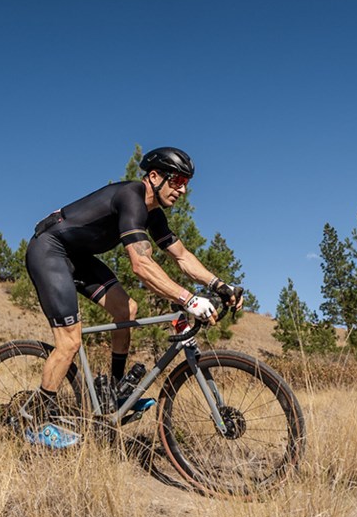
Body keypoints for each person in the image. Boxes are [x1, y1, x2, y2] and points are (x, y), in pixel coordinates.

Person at [24, 147, 244, 448]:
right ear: (154, 177)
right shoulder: (131, 196)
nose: (182, 190)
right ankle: (34, 420)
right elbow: (140, 265)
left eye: (186, 184)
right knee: (69, 342)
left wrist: (220, 285)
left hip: (78, 257)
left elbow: (182, 257)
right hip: (49, 251)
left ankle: (115, 392)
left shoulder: (154, 215)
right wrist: (189, 299)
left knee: (128, 310)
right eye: (177, 180)